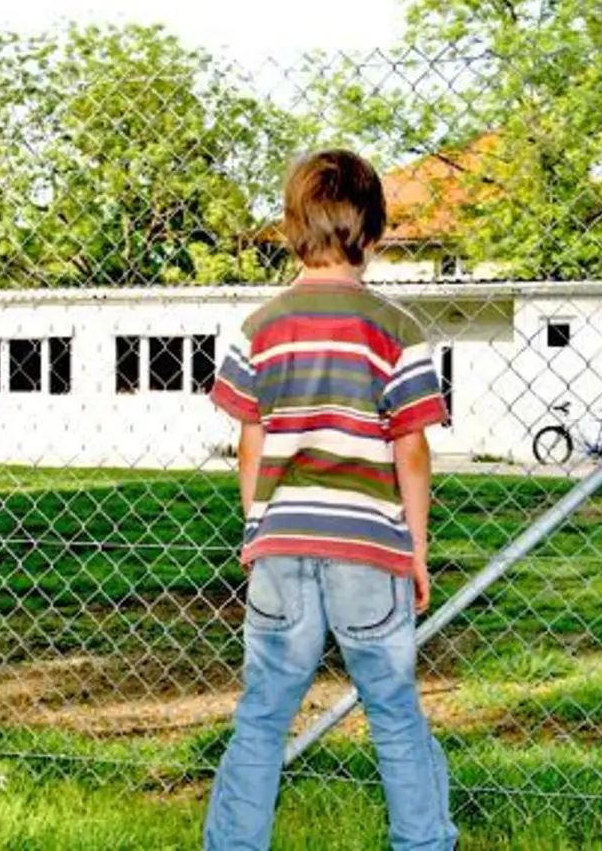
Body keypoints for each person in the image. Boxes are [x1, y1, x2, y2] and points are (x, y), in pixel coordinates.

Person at [202, 149, 459, 851]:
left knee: (261, 714)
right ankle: (425, 844)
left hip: (282, 550)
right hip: (369, 554)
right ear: (373, 233)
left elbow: (252, 443)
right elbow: (411, 448)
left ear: (292, 228)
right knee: (395, 711)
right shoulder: (395, 331)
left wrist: (258, 529)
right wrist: (415, 548)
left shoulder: (258, 328)